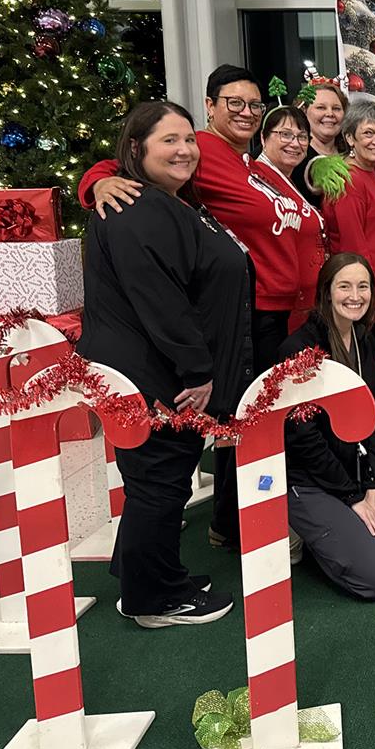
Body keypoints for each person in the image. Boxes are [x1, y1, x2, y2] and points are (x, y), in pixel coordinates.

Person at [79, 64, 315, 549]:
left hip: (265, 313)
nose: (246, 112)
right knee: (235, 426)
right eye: (234, 102)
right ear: (210, 106)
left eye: (255, 104)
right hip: (235, 320)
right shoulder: (201, 152)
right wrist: (98, 182)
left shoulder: (249, 165)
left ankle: (241, 518)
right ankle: (234, 524)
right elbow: (128, 163)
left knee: (244, 423)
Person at [79, 101, 248, 628]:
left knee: (158, 478)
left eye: (188, 139)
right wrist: (198, 370)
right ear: (136, 148)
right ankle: (155, 599)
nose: (184, 150)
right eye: (169, 140)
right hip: (154, 374)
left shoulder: (168, 202)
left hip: (158, 368)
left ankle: (144, 574)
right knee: (160, 479)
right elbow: (161, 300)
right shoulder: (138, 207)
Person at [278, 253, 375, 600]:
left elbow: (372, 415)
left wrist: (374, 485)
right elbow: (303, 439)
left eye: (363, 286)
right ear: (326, 292)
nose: (355, 296)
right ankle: (308, 534)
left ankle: (345, 528)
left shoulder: (364, 338)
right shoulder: (298, 349)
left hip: (356, 470)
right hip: (310, 480)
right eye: (344, 286)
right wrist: (353, 497)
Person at [315, 97, 375, 355]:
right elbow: (353, 247)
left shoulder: (369, 172)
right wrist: (374, 297)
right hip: (365, 299)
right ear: (350, 138)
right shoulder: (349, 180)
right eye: (368, 133)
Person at [254, 106, 325, 330]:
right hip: (273, 308)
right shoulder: (255, 179)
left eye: (302, 137)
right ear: (263, 138)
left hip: (302, 304)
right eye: (285, 134)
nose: (295, 143)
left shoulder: (287, 181)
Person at [291, 80, 348, 207]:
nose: (330, 114)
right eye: (321, 107)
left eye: (336, 108)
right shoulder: (294, 155)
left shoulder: (351, 152)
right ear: (304, 111)